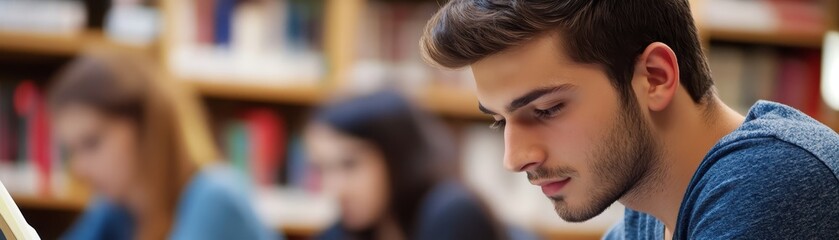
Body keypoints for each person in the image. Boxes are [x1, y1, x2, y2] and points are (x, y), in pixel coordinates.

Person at [420, 0, 839, 239]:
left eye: (546, 110)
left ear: (654, 77)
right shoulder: (646, 218)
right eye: (499, 121)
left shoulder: (771, 181)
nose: (513, 159)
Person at [49, 50, 278, 240]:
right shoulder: (117, 211)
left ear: (145, 126)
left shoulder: (215, 196)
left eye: (92, 143)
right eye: (72, 151)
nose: (78, 169)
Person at [305, 91, 509, 240]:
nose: (334, 188)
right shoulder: (350, 229)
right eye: (322, 168)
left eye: (349, 165)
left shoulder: (452, 211)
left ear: (395, 156)